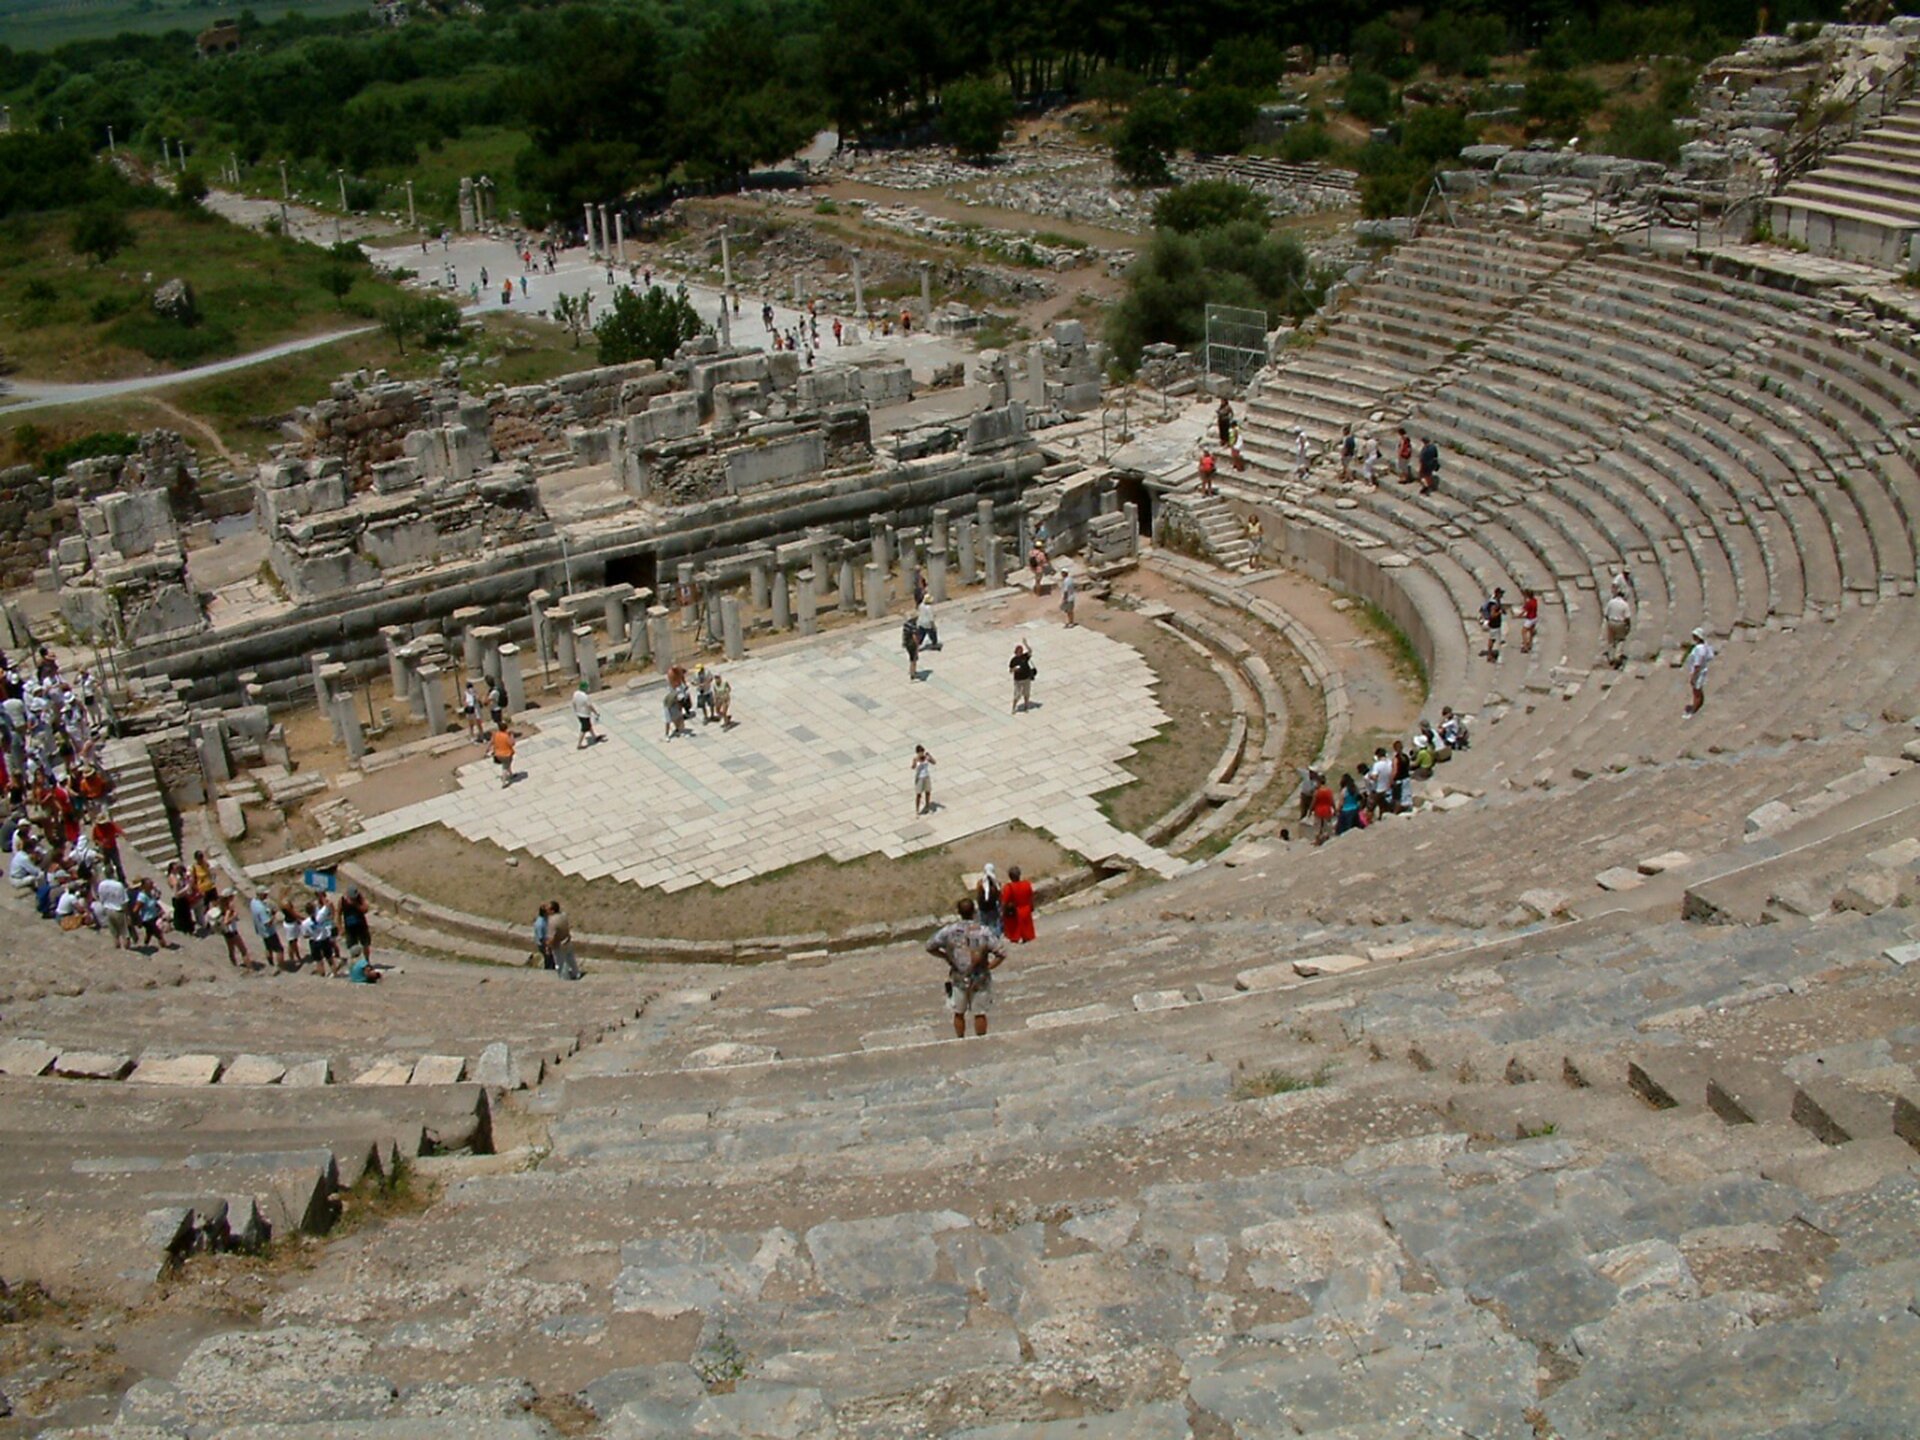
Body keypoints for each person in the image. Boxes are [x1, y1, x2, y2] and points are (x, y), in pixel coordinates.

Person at [926, 896, 1008, 1039]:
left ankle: (960, 1039)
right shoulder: (984, 931)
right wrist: (989, 967)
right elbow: (1001, 953)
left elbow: (929, 946)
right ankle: (981, 1040)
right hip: (980, 978)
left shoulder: (949, 931)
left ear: (959, 912)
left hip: (958, 977)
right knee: (979, 1013)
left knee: (958, 1012)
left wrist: (946, 956)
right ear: (974, 911)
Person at [1683, 627, 1716, 719]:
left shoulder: (1700, 649)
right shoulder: (1704, 646)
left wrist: (1693, 676)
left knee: (1696, 691)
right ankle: (1698, 705)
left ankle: (1694, 710)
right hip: (1701, 670)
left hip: (1698, 672)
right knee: (1698, 690)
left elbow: (1697, 664)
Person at [95, 871, 132, 949]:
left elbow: (100, 897)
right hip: (118, 910)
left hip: (108, 908)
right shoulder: (118, 885)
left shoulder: (102, 884)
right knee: (125, 933)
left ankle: (117, 947)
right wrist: (128, 914)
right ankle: (127, 949)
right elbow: (124, 901)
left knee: (114, 933)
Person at [250, 888, 285, 969]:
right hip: (269, 932)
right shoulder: (261, 908)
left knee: (268, 948)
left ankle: (271, 963)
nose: (266, 895)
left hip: (261, 930)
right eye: (265, 894)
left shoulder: (253, 902)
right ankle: (281, 967)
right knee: (279, 949)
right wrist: (274, 915)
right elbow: (268, 923)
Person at [1001, 864, 1035, 944]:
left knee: (1015, 933)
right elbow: (1031, 897)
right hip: (1026, 910)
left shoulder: (1008, 888)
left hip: (1016, 912)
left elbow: (1004, 902)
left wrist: (1003, 912)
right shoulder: (1027, 884)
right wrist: (1031, 906)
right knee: (1027, 933)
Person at [548, 900, 580, 980]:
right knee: (571, 958)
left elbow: (552, 937)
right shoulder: (564, 915)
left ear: (552, 910)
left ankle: (565, 978)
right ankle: (576, 973)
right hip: (567, 940)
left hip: (559, 945)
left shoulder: (552, 921)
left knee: (561, 963)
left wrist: (549, 946)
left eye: (548, 909)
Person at [1603, 586, 1633, 669]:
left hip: (1611, 621)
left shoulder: (1611, 602)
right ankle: (1617, 656)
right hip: (1620, 623)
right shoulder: (1625, 604)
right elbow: (1627, 618)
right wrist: (1628, 626)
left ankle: (1611, 657)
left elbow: (1606, 614)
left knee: (1611, 640)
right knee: (1620, 639)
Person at [975, 863, 1003, 935]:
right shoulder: (997, 885)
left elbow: (978, 896)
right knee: (993, 925)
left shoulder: (980, 884)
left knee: (983, 925)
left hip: (983, 909)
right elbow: (999, 897)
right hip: (992, 908)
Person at [1479, 587, 1505, 662]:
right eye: (1501, 593)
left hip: (1496, 624)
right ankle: (1490, 656)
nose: (1502, 595)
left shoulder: (1496, 601)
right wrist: (1499, 612)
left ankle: (1491, 655)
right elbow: (1492, 615)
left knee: (1494, 639)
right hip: (1494, 625)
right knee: (1493, 640)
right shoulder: (1493, 604)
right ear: (1498, 594)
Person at [571, 682, 601, 748]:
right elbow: (590, 706)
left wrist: (575, 710)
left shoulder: (575, 693)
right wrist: (595, 712)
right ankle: (579, 744)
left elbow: (573, 702)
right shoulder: (585, 696)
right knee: (584, 729)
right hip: (585, 714)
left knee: (588, 725)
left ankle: (594, 736)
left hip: (579, 714)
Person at [1009, 641, 1036, 713]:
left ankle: (1026, 707)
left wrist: (1026, 644)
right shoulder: (1013, 660)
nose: (1020, 653)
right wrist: (1014, 669)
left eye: (1021, 651)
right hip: (1018, 680)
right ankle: (1013, 708)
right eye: (1018, 652)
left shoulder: (1024, 657)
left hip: (1026, 678)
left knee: (1026, 693)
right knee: (1017, 695)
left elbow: (1030, 651)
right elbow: (1010, 670)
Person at [911, 744, 936, 815]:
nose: (922, 753)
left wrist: (930, 756)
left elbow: (934, 762)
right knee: (918, 794)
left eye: (922, 751)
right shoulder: (915, 759)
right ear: (917, 752)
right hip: (920, 778)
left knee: (928, 792)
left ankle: (927, 806)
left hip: (926, 776)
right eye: (920, 752)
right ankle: (917, 810)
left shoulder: (926, 757)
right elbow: (913, 767)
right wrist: (915, 763)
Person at [491, 720, 516, 785]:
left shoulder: (495, 734)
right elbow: (512, 743)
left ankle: (511, 774)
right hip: (506, 754)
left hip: (498, 754)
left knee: (507, 764)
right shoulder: (506, 736)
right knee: (505, 767)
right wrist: (512, 735)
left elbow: (492, 742)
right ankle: (504, 782)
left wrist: (488, 750)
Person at [533, 902, 553, 970]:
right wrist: (547, 947)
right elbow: (541, 938)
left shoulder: (545, 919)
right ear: (544, 913)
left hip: (548, 942)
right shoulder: (539, 924)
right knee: (548, 959)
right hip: (544, 945)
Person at [1519, 589, 1539, 655]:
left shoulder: (1529, 603)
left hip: (1530, 619)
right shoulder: (1535, 601)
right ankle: (1530, 644)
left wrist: (1519, 615)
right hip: (1535, 618)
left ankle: (1525, 647)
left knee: (1523, 632)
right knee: (1531, 631)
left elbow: (1524, 610)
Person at [902, 615, 922, 681]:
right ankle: (913, 674)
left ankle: (912, 670)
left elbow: (904, 634)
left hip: (907, 643)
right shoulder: (913, 626)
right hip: (912, 644)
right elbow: (914, 636)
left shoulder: (906, 625)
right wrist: (917, 644)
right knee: (914, 659)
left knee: (911, 658)